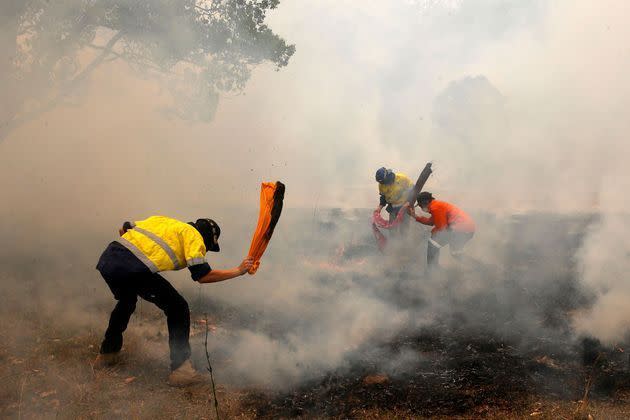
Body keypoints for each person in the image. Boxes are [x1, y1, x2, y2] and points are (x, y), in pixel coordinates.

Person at [93, 215, 253, 387]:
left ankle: (108, 354)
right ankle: (181, 371)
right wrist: (238, 271)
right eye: (208, 248)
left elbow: (124, 228)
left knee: (127, 301)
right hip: (132, 268)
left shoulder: (165, 221)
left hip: (109, 259)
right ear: (208, 238)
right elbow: (203, 275)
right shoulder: (194, 236)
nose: (205, 251)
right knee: (178, 307)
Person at [408, 192, 475, 268]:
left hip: (460, 230)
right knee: (456, 253)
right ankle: (479, 267)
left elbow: (442, 228)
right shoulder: (436, 205)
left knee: (433, 244)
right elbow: (431, 222)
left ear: (424, 203)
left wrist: (432, 232)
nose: (420, 208)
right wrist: (415, 217)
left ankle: (432, 271)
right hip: (466, 230)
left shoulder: (435, 208)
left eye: (420, 205)